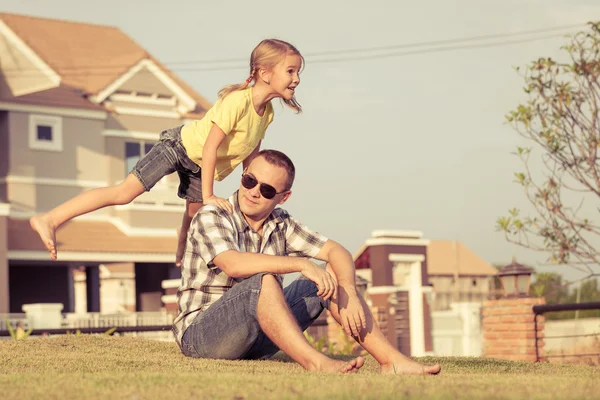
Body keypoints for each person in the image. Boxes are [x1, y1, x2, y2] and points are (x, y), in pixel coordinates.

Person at [29, 39, 304, 266]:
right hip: (179, 147)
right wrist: (208, 194)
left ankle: (181, 245)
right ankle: (50, 218)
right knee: (124, 194)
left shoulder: (265, 113)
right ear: (265, 72)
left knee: (195, 217)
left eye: (298, 72)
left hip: (198, 165)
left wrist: (249, 183)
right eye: (291, 71)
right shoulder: (237, 102)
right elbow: (210, 146)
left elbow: (250, 156)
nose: (296, 79)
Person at [174, 149, 442, 375]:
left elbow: (336, 250)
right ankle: (316, 362)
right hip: (201, 336)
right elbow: (232, 263)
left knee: (333, 275)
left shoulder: (281, 223)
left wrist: (348, 288)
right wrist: (301, 265)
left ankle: (390, 361)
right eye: (249, 180)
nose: (254, 192)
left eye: (266, 189)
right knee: (264, 280)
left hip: (252, 339)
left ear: (283, 197)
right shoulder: (214, 214)